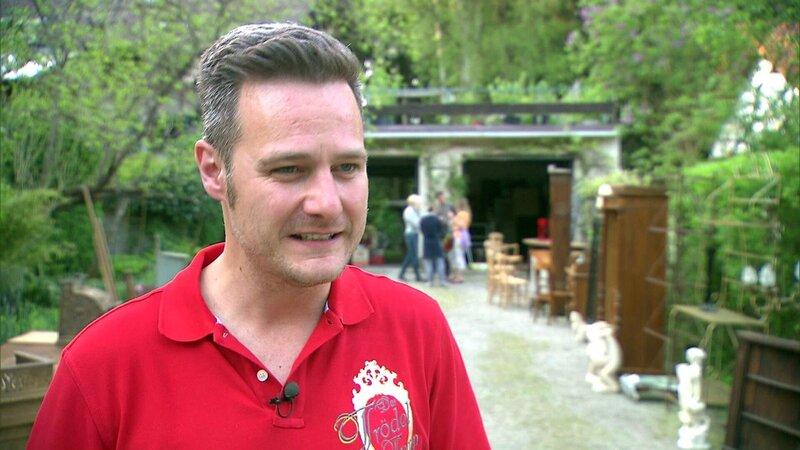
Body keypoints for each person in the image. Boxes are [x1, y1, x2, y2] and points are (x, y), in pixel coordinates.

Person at [27, 22, 490, 449]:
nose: (327, 203)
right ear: (214, 171)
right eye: (289, 169)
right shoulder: (103, 366)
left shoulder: (417, 330)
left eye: (347, 167)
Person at [397, 193, 424, 282]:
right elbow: (416, 223)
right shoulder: (409, 211)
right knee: (413, 254)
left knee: (410, 254)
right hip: (410, 234)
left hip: (414, 234)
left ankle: (402, 274)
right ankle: (417, 275)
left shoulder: (415, 210)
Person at [420, 207, 448, 287]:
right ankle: (442, 281)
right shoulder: (437, 220)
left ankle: (430, 281)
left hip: (427, 242)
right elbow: (442, 230)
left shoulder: (423, 220)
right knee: (440, 262)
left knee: (428, 263)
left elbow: (422, 230)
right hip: (436, 241)